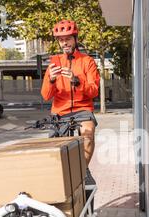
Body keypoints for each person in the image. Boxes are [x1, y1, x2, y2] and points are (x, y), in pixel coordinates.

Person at [41, 19, 100, 183]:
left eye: (67, 38)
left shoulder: (87, 61)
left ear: (75, 38)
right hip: (60, 111)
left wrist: (77, 81)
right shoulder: (55, 62)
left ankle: (78, 175)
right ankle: (62, 179)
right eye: (61, 40)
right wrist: (51, 80)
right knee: (55, 152)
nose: (64, 42)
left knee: (87, 136)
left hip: (82, 109)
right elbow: (45, 95)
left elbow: (94, 90)